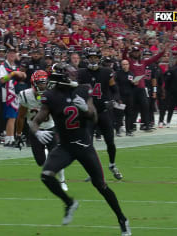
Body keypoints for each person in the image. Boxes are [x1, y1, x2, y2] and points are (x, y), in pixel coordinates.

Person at [31, 62, 131, 236]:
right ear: (61, 77)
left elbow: (93, 117)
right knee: (46, 176)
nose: (74, 77)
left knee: (101, 185)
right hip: (65, 147)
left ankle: (122, 219)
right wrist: (37, 133)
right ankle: (69, 203)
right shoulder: (50, 95)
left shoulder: (83, 90)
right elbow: (35, 121)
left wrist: (85, 109)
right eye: (70, 74)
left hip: (84, 145)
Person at [16, 70, 67, 191]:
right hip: (35, 131)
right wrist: (18, 134)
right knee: (40, 162)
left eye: (44, 83)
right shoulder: (25, 95)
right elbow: (21, 116)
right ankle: (47, 157)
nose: (42, 86)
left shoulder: (51, 94)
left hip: (50, 128)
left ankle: (62, 180)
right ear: (34, 83)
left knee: (56, 156)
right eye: (40, 83)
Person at [78, 48, 123, 180]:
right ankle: (92, 171)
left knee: (110, 141)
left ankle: (112, 164)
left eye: (95, 58)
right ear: (87, 59)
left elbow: (115, 90)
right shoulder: (81, 73)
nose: (93, 60)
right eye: (91, 58)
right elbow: (76, 91)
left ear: (99, 59)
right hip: (89, 113)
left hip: (103, 112)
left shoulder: (106, 72)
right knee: (88, 144)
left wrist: (113, 100)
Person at [0, 48, 26, 147]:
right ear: (7, 55)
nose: (12, 55)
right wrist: (13, 74)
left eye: (13, 53)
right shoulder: (3, 66)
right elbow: (2, 80)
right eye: (10, 53)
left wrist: (22, 74)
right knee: (11, 117)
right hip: (7, 94)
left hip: (15, 93)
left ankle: (9, 138)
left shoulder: (16, 66)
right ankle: (9, 139)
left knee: (13, 117)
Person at [115, 60, 135, 136]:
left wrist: (134, 83)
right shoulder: (118, 74)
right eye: (123, 64)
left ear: (129, 65)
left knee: (129, 114)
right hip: (121, 96)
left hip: (129, 97)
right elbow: (115, 86)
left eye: (126, 64)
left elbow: (133, 85)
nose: (125, 66)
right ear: (121, 65)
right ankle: (117, 130)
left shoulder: (131, 73)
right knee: (119, 115)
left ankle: (128, 130)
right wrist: (117, 97)